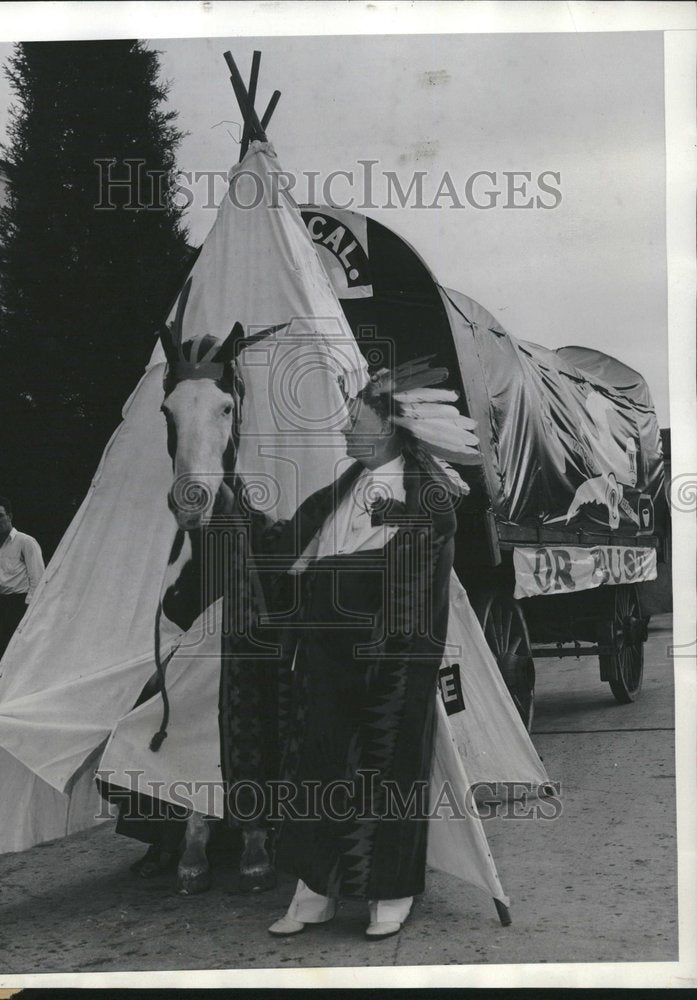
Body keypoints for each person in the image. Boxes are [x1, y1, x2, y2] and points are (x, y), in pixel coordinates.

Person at [239, 358, 480, 940]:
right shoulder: (340, 489)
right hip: (325, 659)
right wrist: (234, 510)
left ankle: (389, 892)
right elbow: (286, 546)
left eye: (356, 416)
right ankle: (315, 891)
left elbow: (416, 581)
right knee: (316, 765)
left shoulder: (429, 496)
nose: (346, 427)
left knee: (385, 767)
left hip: (390, 662)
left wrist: (337, 581)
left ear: (391, 427)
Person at [0, 495, 45, 670]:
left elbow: (38, 578)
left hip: (19, 605)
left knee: (19, 661)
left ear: (9, 516)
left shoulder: (26, 542)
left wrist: (29, 610)